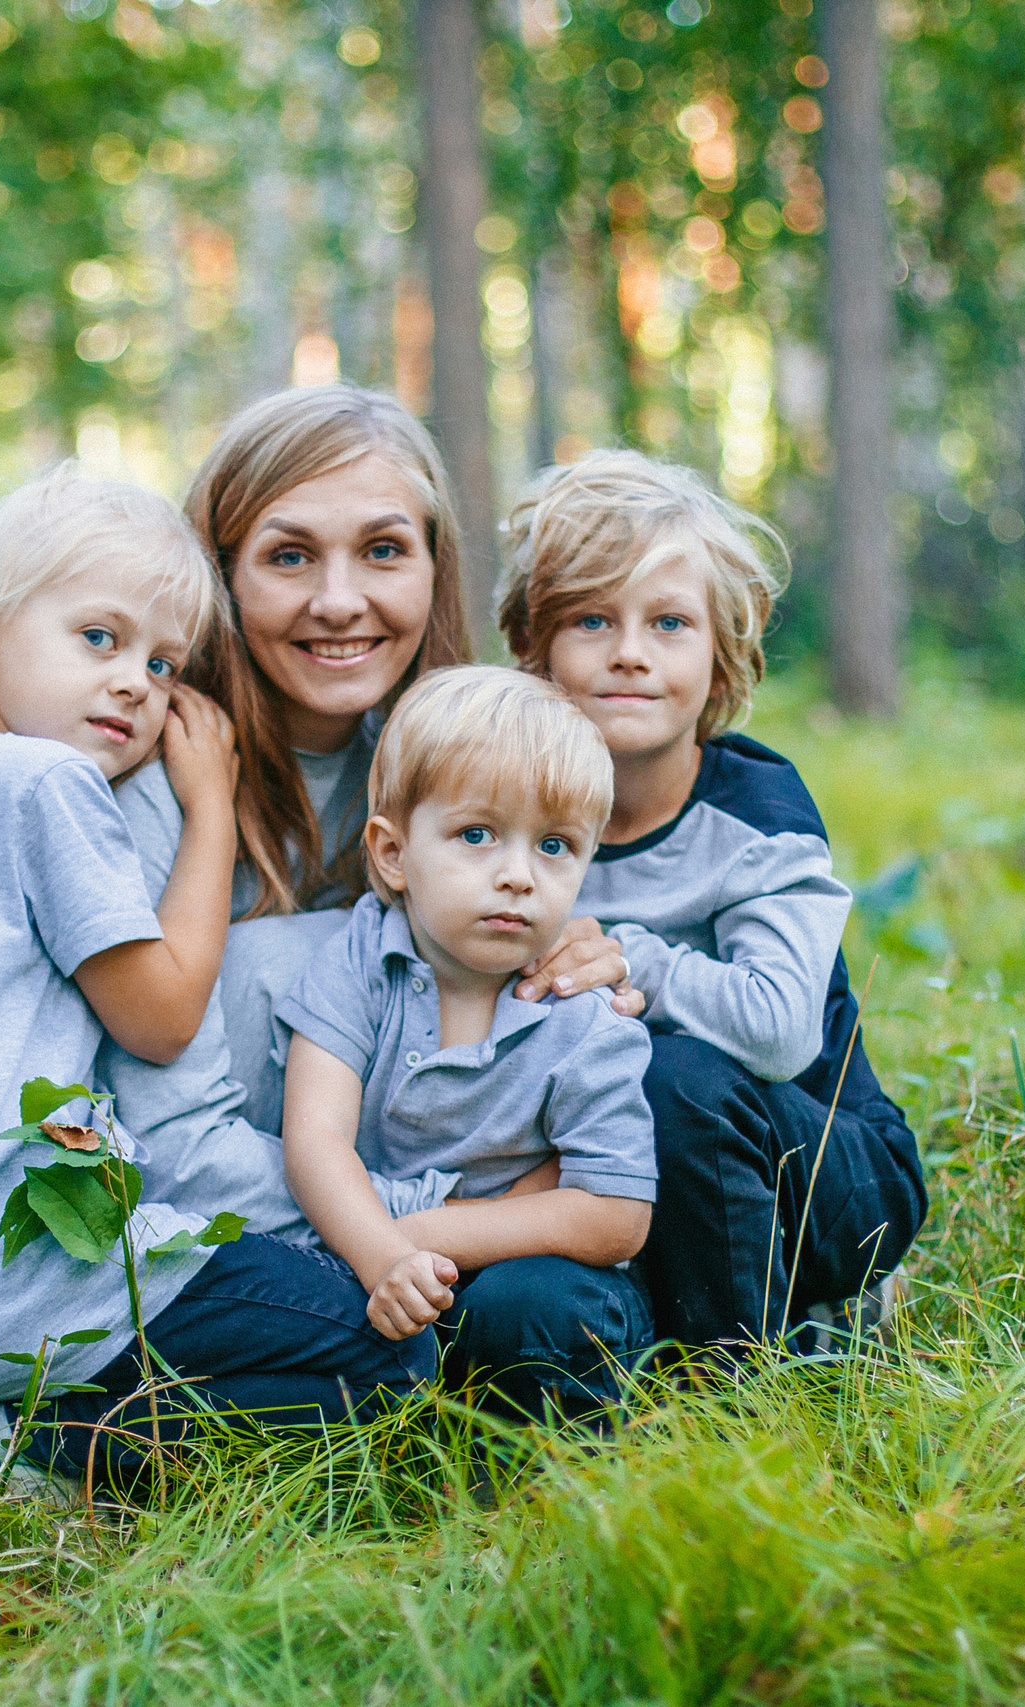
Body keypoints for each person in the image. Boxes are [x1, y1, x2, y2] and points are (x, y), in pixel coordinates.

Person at [0, 464, 428, 1498]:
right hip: (32, 1274)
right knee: (388, 1355)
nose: (135, 684)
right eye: (98, 640)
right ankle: (26, 1451)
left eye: (160, 661)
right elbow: (158, 1014)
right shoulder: (44, 783)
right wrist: (207, 809)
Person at [102, 386, 635, 1233]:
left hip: (401, 1227)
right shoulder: (153, 776)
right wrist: (447, 1215)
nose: (341, 600)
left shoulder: (461, 774)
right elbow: (171, 1150)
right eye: (289, 557)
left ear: (434, 565)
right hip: (222, 1226)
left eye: (383, 550)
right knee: (274, 959)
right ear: (221, 576)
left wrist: (555, 961)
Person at [497, 449, 925, 1358]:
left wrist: (635, 958)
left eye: (668, 622)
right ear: (535, 648)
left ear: (722, 649)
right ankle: (645, 1334)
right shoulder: (514, 815)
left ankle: (753, 1365)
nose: (629, 652)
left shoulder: (755, 817)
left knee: (669, 1076)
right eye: (591, 619)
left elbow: (779, 1033)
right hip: (637, 1185)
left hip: (823, 1174)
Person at [278, 669, 658, 1422]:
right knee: (287, 1289)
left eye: (554, 845)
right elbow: (316, 1137)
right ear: (393, 853)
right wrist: (382, 1257)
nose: (517, 875)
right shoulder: (362, 961)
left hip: (526, 1275)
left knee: (539, 1310)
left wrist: (421, 1237)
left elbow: (617, 1211)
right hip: (386, 1264)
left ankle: (533, 1477)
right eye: (476, 835)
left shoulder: (582, 1013)